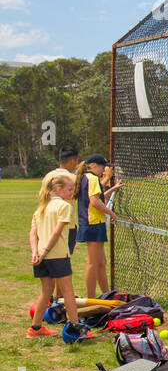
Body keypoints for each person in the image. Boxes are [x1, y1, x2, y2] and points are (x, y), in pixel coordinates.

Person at [28, 170, 88, 340]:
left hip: (40, 256)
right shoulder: (64, 206)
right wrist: (46, 250)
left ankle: (35, 328)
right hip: (57, 255)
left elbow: (33, 234)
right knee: (68, 291)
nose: (72, 193)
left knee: (46, 291)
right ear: (59, 189)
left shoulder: (42, 207)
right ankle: (76, 328)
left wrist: (36, 252)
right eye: (70, 189)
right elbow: (57, 232)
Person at [74, 154, 117, 297]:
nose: (103, 170)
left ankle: (106, 294)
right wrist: (110, 212)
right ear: (94, 166)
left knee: (101, 262)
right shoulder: (92, 178)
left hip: (92, 222)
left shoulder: (88, 178)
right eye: (102, 167)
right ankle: (91, 298)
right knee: (93, 263)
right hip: (92, 222)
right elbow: (94, 201)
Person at [43, 143, 80, 258]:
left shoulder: (48, 176)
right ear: (72, 161)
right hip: (67, 224)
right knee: (64, 258)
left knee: (50, 256)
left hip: (48, 223)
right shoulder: (73, 178)